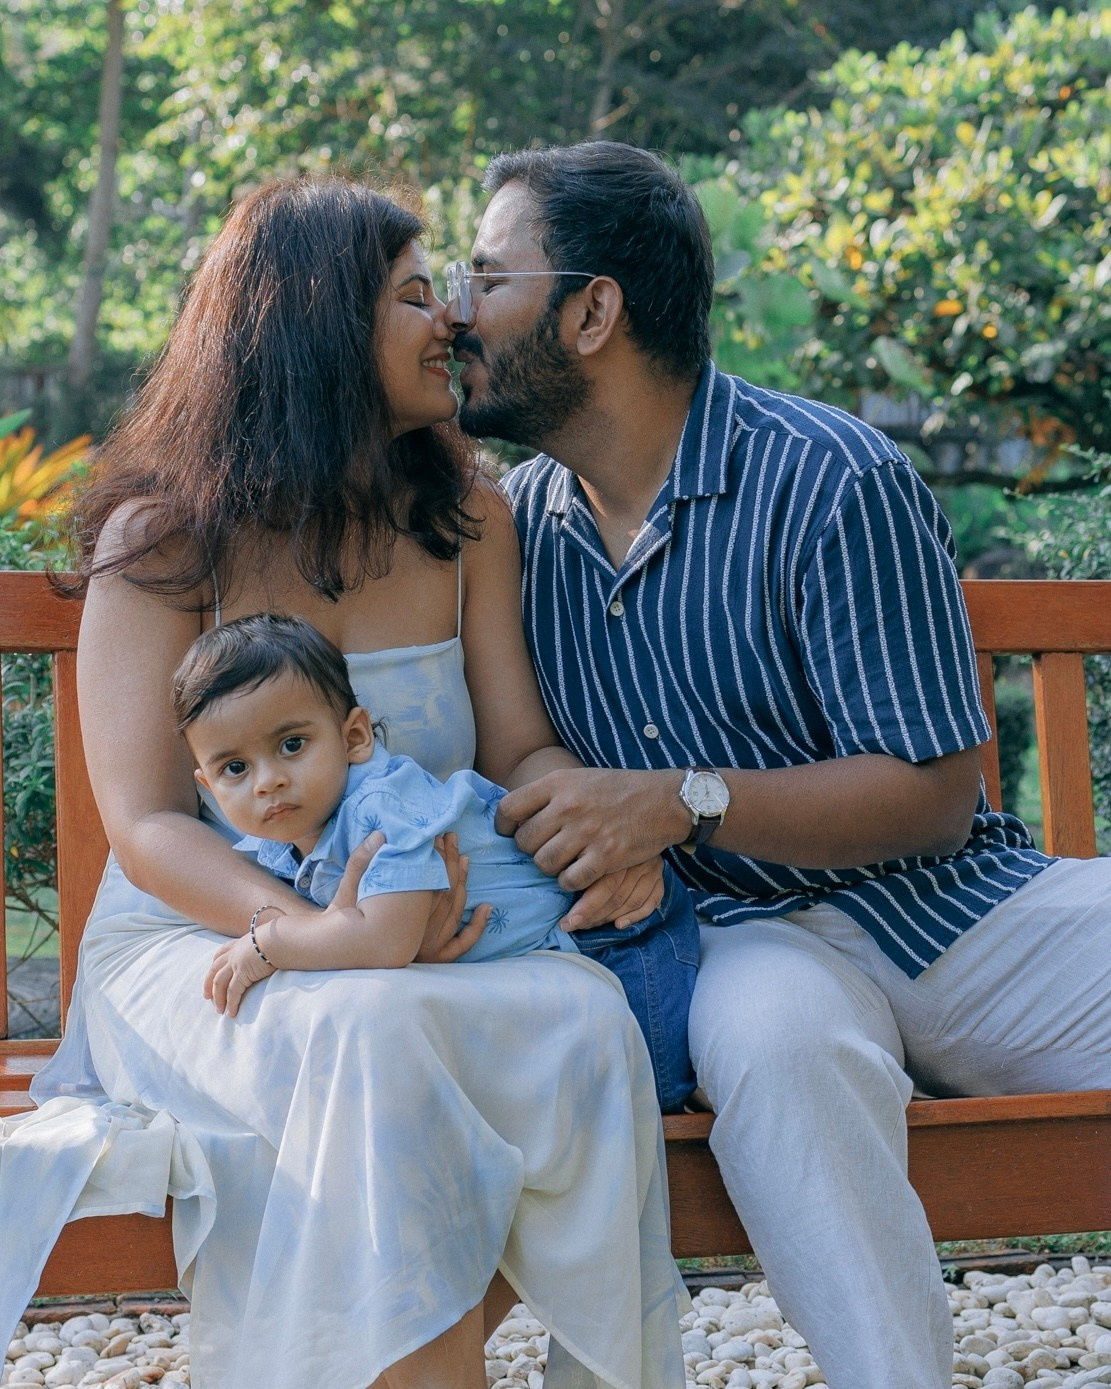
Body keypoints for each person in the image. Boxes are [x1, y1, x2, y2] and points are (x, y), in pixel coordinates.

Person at [2, 175, 688, 1389]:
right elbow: (150, 823)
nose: (455, 321)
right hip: (207, 938)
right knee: (364, 1029)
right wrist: (322, 933)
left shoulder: (466, 516)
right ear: (317, 327)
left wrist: (589, 836)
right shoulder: (164, 538)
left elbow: (515, 746)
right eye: (417, 297)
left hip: (423, 922)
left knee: (582, 1017)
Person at [445, 141, 1111, 1389]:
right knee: (785, 1054)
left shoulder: (830, 479)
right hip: (738, 942)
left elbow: (934, 797)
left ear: (593, 311)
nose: (456, 310)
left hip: (951, 913)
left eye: (488, 276)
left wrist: (681, 803)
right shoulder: (515, 527)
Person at [171, 612, 698, 1111]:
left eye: (292, 745)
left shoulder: (382, 809)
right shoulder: (281, 841)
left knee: (653, 1089)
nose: (268, 781)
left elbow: (385, 940)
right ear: (210, 789)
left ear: (354, 737)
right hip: (520, 953)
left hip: (613, 925)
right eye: (235, 768)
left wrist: (270, 942)